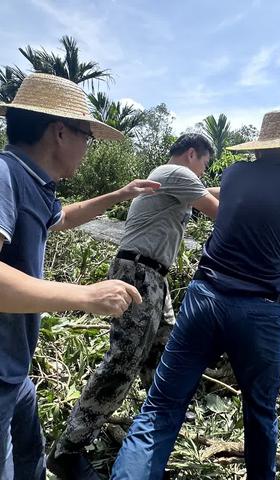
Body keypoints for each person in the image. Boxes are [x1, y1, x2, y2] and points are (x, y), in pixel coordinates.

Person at [110, 110, 280, 479]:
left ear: (259, 148)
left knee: (161, 407)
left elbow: (222, 195)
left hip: (204, 299)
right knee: (260, 414)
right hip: (259, 313)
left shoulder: (235, 174)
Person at [0, 73, 161, 480]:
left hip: (13, 371)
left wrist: (121, 194)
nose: (88, 148)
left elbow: (63, 217)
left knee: (29, 462)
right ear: (59, 132)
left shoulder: (33, 182)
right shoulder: (4, 175)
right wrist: (84, 295)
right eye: (86, 136)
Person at [48, 133, 219, 480]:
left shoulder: (172, 179)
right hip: (138, 275)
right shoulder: (177, 174)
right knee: (123, 362)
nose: (203, 174)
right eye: (204, 165)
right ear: (191, 154)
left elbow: (213, 194)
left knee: (163, 348)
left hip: (154, 276)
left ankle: (154, 420)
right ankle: (68, 449)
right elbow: (220, 209)